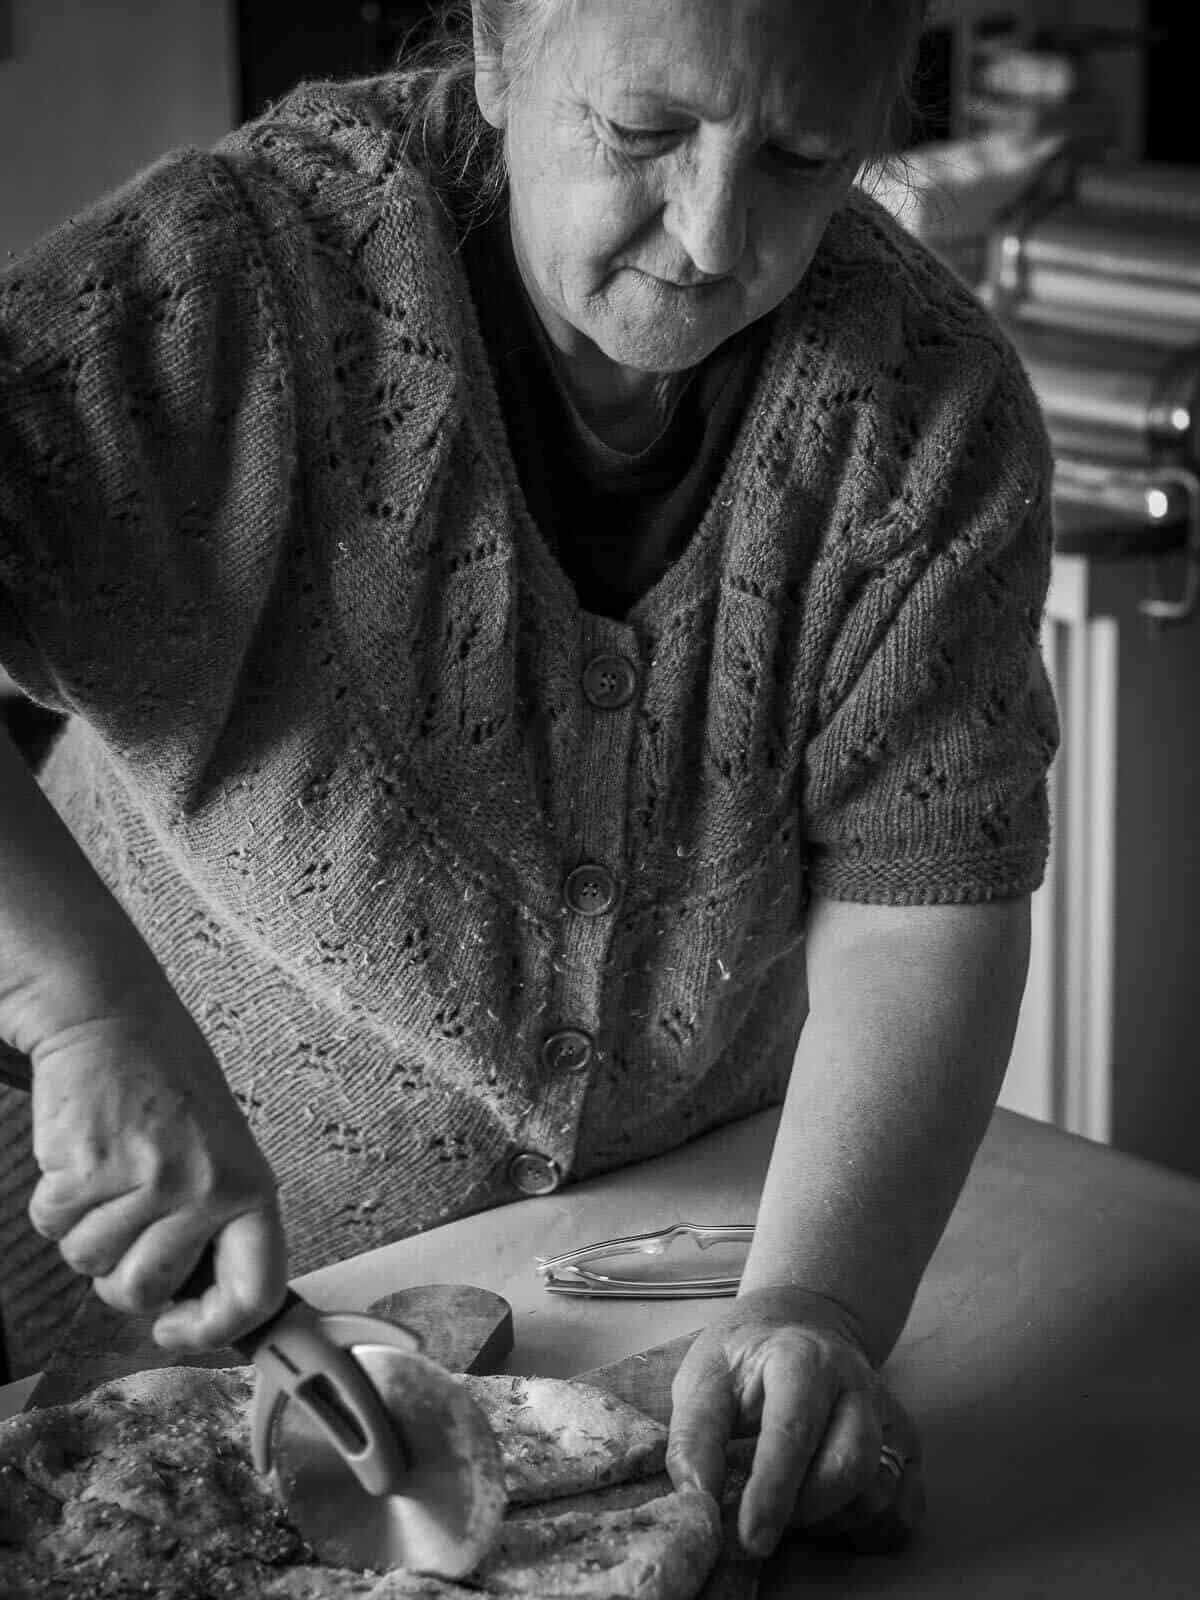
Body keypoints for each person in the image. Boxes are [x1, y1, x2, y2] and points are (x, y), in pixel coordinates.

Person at [0, 0, 1058, 1562]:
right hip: (112, 1247)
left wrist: (818, 1296)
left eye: (801, 155)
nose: (710, 234)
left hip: (642, 1274)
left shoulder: (927, 424)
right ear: (500, 51)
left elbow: (921, 911)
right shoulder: (231, 286)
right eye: (642, 133)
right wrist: (84, 1015)